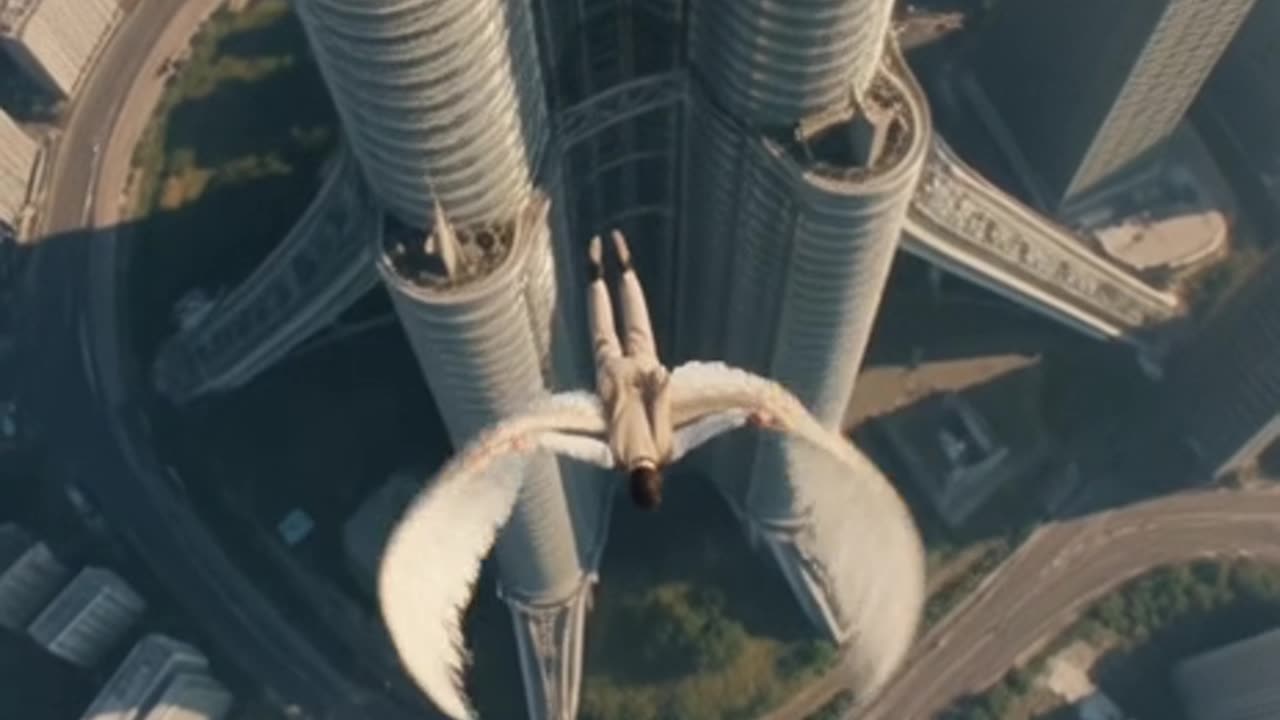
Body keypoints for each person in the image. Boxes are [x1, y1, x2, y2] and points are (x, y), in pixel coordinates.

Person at [587, 231, 672, 510]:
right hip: (614, 380)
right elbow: (577, 447)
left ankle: (626, 269)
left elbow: (663, 409)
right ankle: (596, 277)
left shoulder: (663, 450)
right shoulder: (615, 456)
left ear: (657, 480)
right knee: (603, 335)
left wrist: (740, 415)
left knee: (638, 326)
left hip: (645, 374)